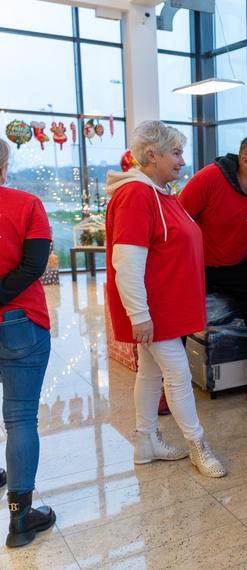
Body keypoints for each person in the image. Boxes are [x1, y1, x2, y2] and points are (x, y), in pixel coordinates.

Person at [106, 120, 226, 479]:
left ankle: (146, 443)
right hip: (155, 310)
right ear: (151, 155)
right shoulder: (137, 196)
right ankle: (197, 445)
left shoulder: (162, 193)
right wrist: (139, 315)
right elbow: (126, 262)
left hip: (164, 306)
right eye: (176, 153)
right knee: (177, 373)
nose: (182, 161)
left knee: (151, 371)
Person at [179, 136, 247, 405]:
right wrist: (178, 267)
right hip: (199, 264)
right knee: (179, 319)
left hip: (239, 264)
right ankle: (168, 389)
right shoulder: (209, 179)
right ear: (245, 160)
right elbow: (179, 222)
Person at [0, 138, 56, 547]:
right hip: (20, 322)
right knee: (20, 418)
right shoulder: (26, 204)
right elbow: (35, 264)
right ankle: (21, 519)